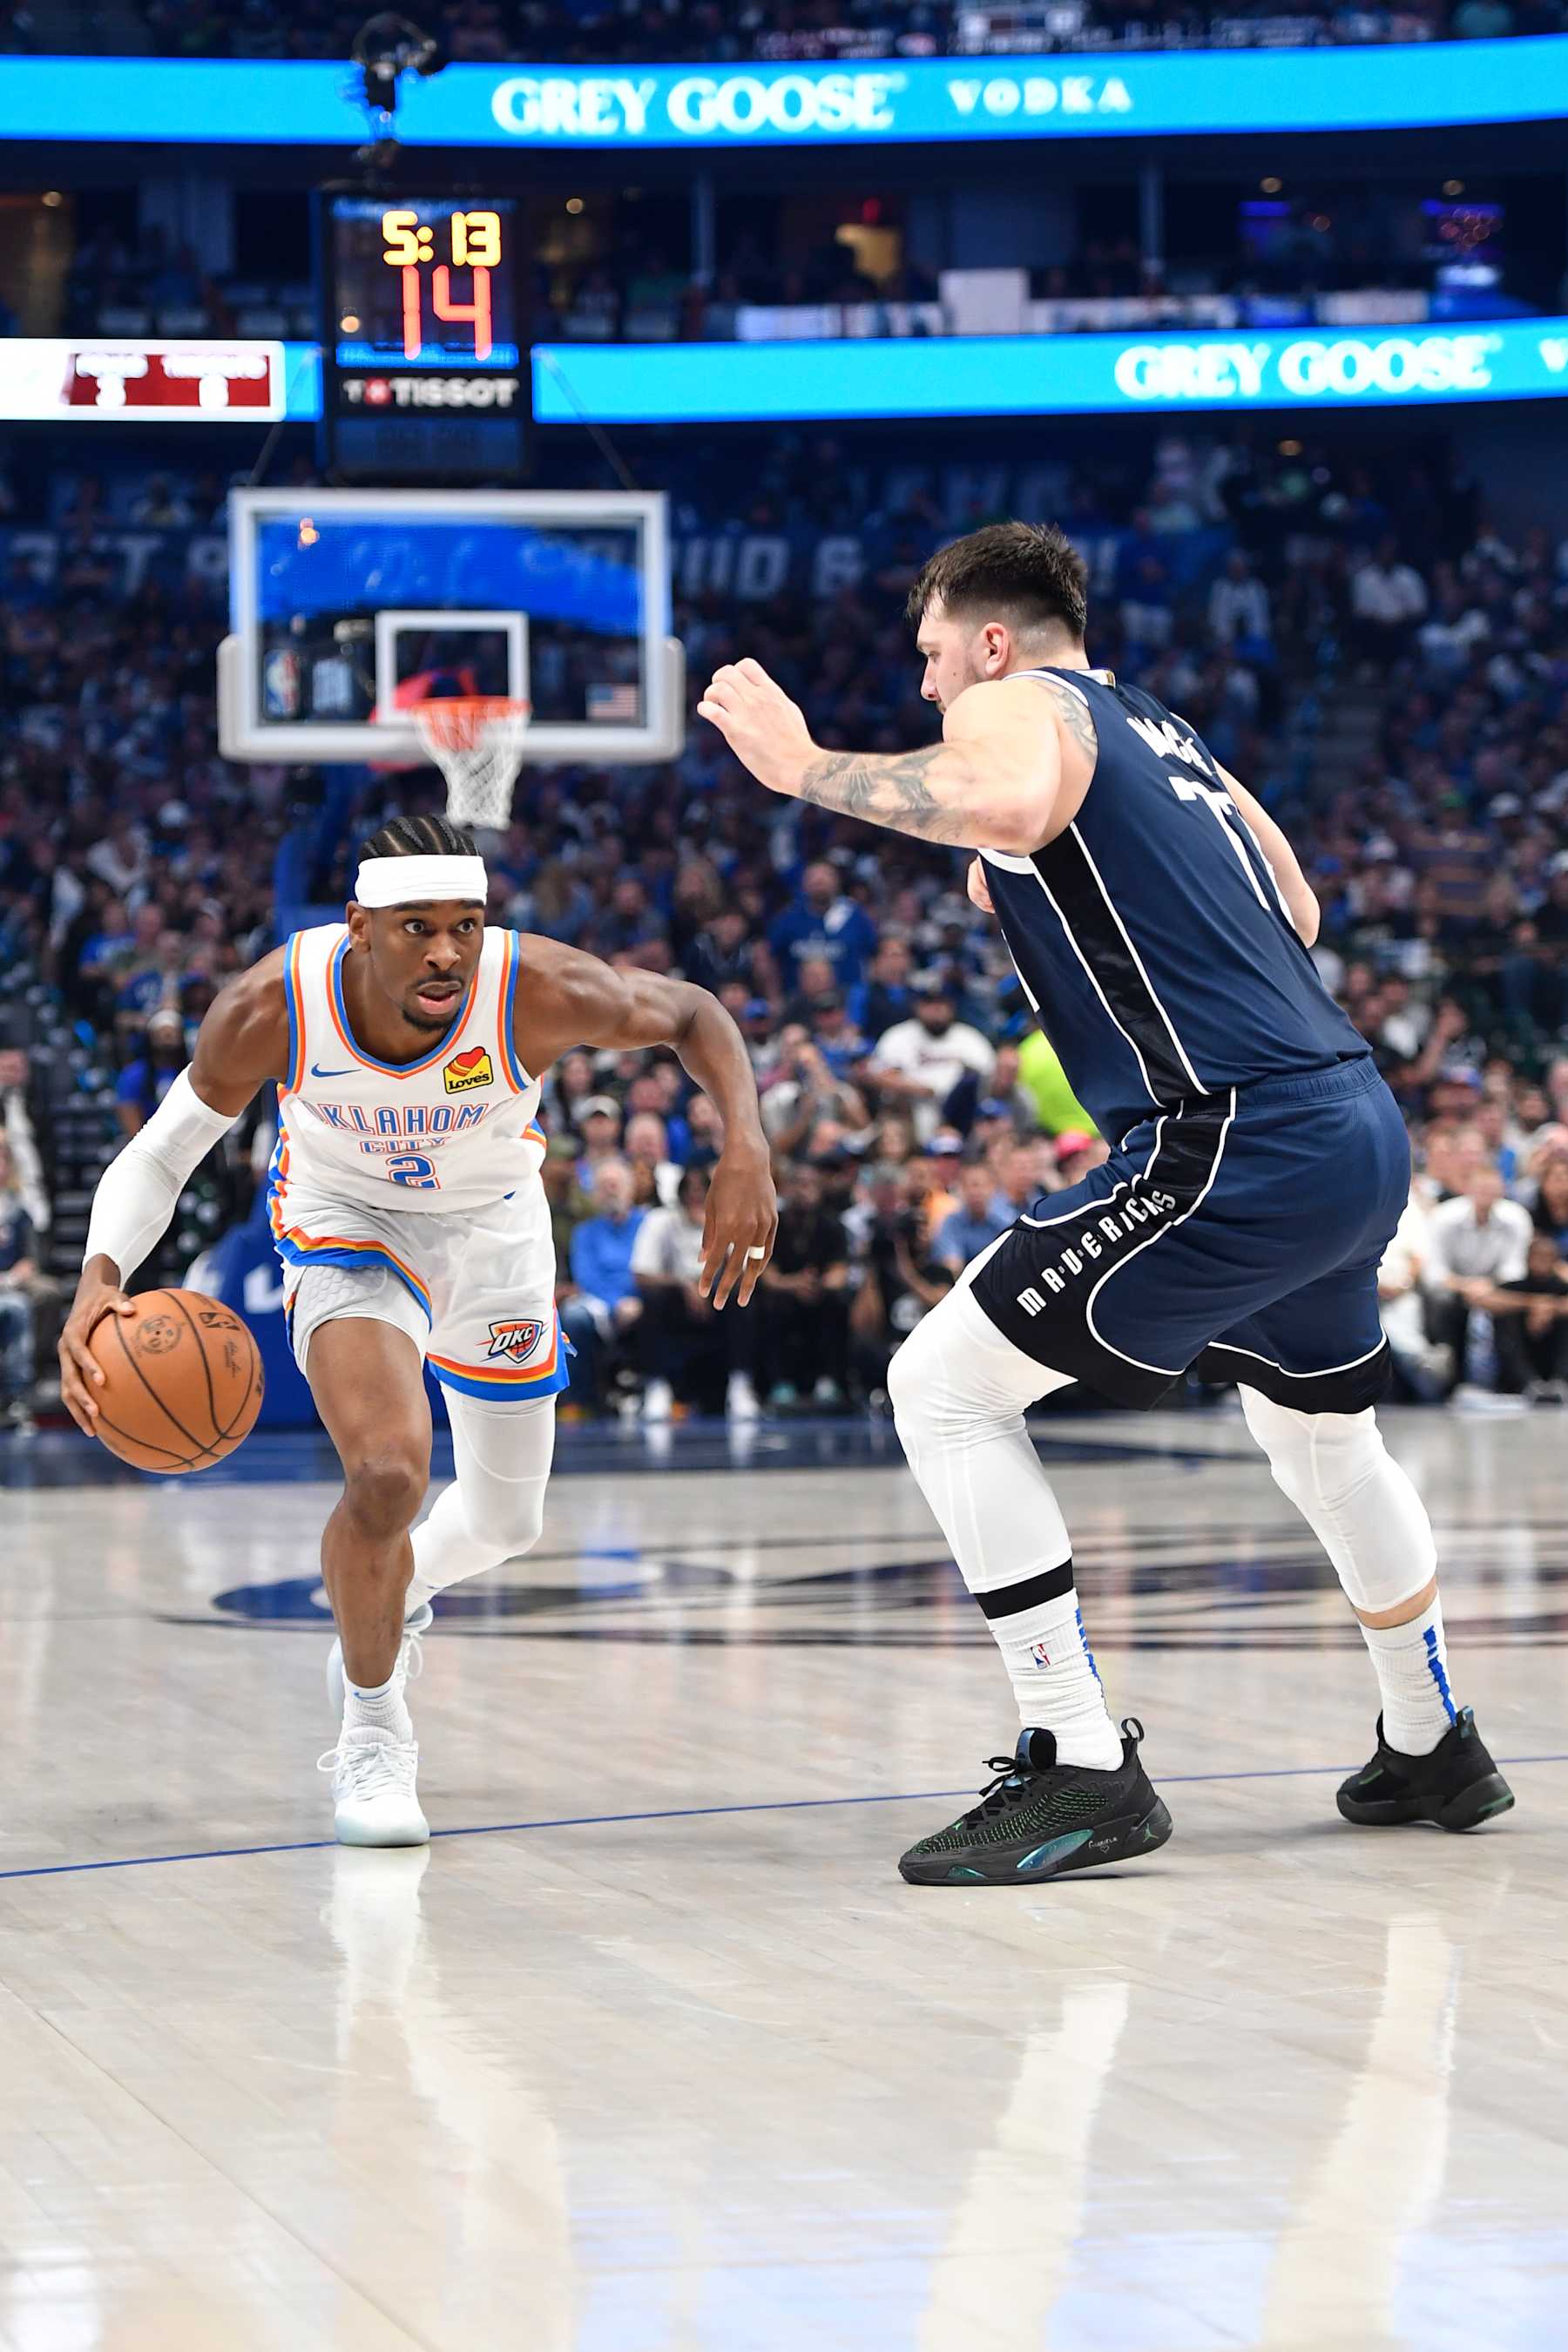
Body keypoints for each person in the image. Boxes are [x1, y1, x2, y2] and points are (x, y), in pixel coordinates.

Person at [700, 517, 1512, 1889]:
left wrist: (802, 769)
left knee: (943, 1388)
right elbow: (1296, 908)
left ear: (994, 640)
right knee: (1322, 1438)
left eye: (933, 655)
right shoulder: (1165, 731)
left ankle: (1079, 1759)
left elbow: (1012, 804)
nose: (927, 688)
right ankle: (1431, 1739)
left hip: (1233, 1136)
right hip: (1351, 1124)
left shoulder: (1018, 703)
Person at [59, 815, 776, 1848]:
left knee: (506, 1523)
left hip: (494, 1236)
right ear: (357, 927)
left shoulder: (530, 990)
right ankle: (373, 1726)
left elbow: (695, 1012)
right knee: (390, 1474)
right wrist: (99, 1278)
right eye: (417, 928)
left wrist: (744, 1143)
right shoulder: (274, 1004)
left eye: (465, 926)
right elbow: (165, 1153)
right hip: (347, 1229)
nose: (446, 952)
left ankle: (398, 1586)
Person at [631, 1164, 761, 1421]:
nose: (695, 1196)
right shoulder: (660, 1220)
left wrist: (719, 1242)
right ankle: (658, 1386)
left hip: (718, 1296)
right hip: (676, 1298)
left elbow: (747, 1272)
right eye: (689, 1190)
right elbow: (641, 1274)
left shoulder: (731, 1219)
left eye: (702, 1190)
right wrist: (683, 1284)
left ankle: (740, 1384)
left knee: (742, 1298)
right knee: (654, 1300)